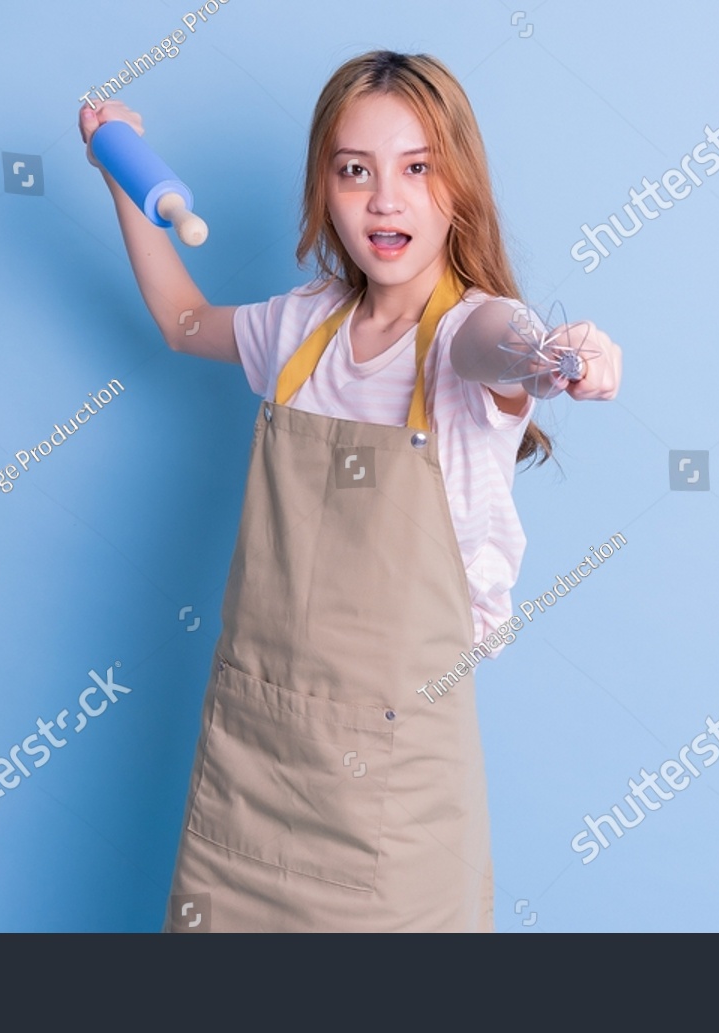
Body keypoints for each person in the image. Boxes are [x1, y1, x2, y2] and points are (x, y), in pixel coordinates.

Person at [79, 50, 622, 932]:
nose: (384, 199)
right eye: (355, 171)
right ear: (323, 189)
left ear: (460, 188)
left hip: (395, 792)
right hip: (253, 761)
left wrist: (558, 356)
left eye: (418, 169)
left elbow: (506, 341)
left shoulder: (463, 341)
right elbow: (183, 322)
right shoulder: (301, 328)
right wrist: (121, 177)